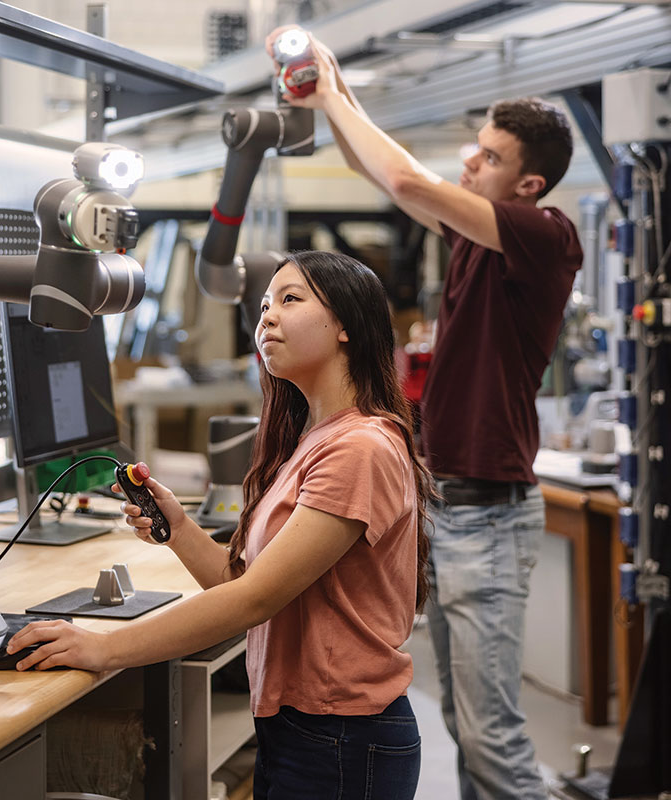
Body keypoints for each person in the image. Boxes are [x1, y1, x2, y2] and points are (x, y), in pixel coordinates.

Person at [265, 27, 583, 800]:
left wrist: (337, 88)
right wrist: (330, 99)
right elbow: (373, 169)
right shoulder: (476, 237)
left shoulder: (542, 237)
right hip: (451, 510)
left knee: (492, 738)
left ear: (529, 185)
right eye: (474, 149)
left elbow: (407, 183)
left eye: (489, 157)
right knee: (467, 734)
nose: (470, 162)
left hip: (488, 512)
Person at [8, 250, 436, 799]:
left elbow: (254, 601)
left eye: (290, 299)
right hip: (303, 729)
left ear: (348, 326)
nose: (267, 317)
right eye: (263, 305)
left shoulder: (360, 448)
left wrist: (103, 648)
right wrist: (180, 529)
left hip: (342, 737)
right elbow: (244, 583)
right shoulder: (314, 441)